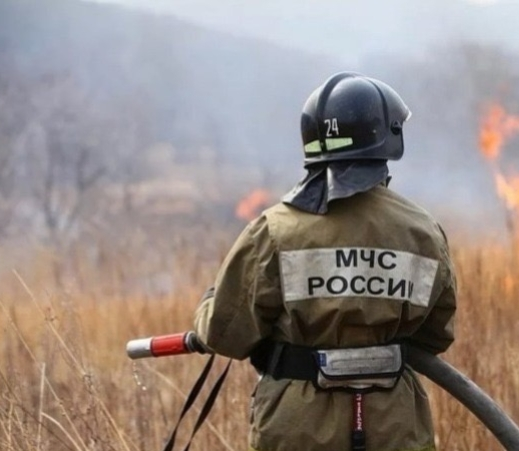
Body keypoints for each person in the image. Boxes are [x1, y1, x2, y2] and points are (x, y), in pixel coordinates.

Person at [194, 72, 457, 451]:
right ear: (389, 136)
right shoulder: (423, 231)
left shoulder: (274, 230)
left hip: (298, 425)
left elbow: (224, 333)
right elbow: (436, 336)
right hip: (395, 425)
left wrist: (210, 302)